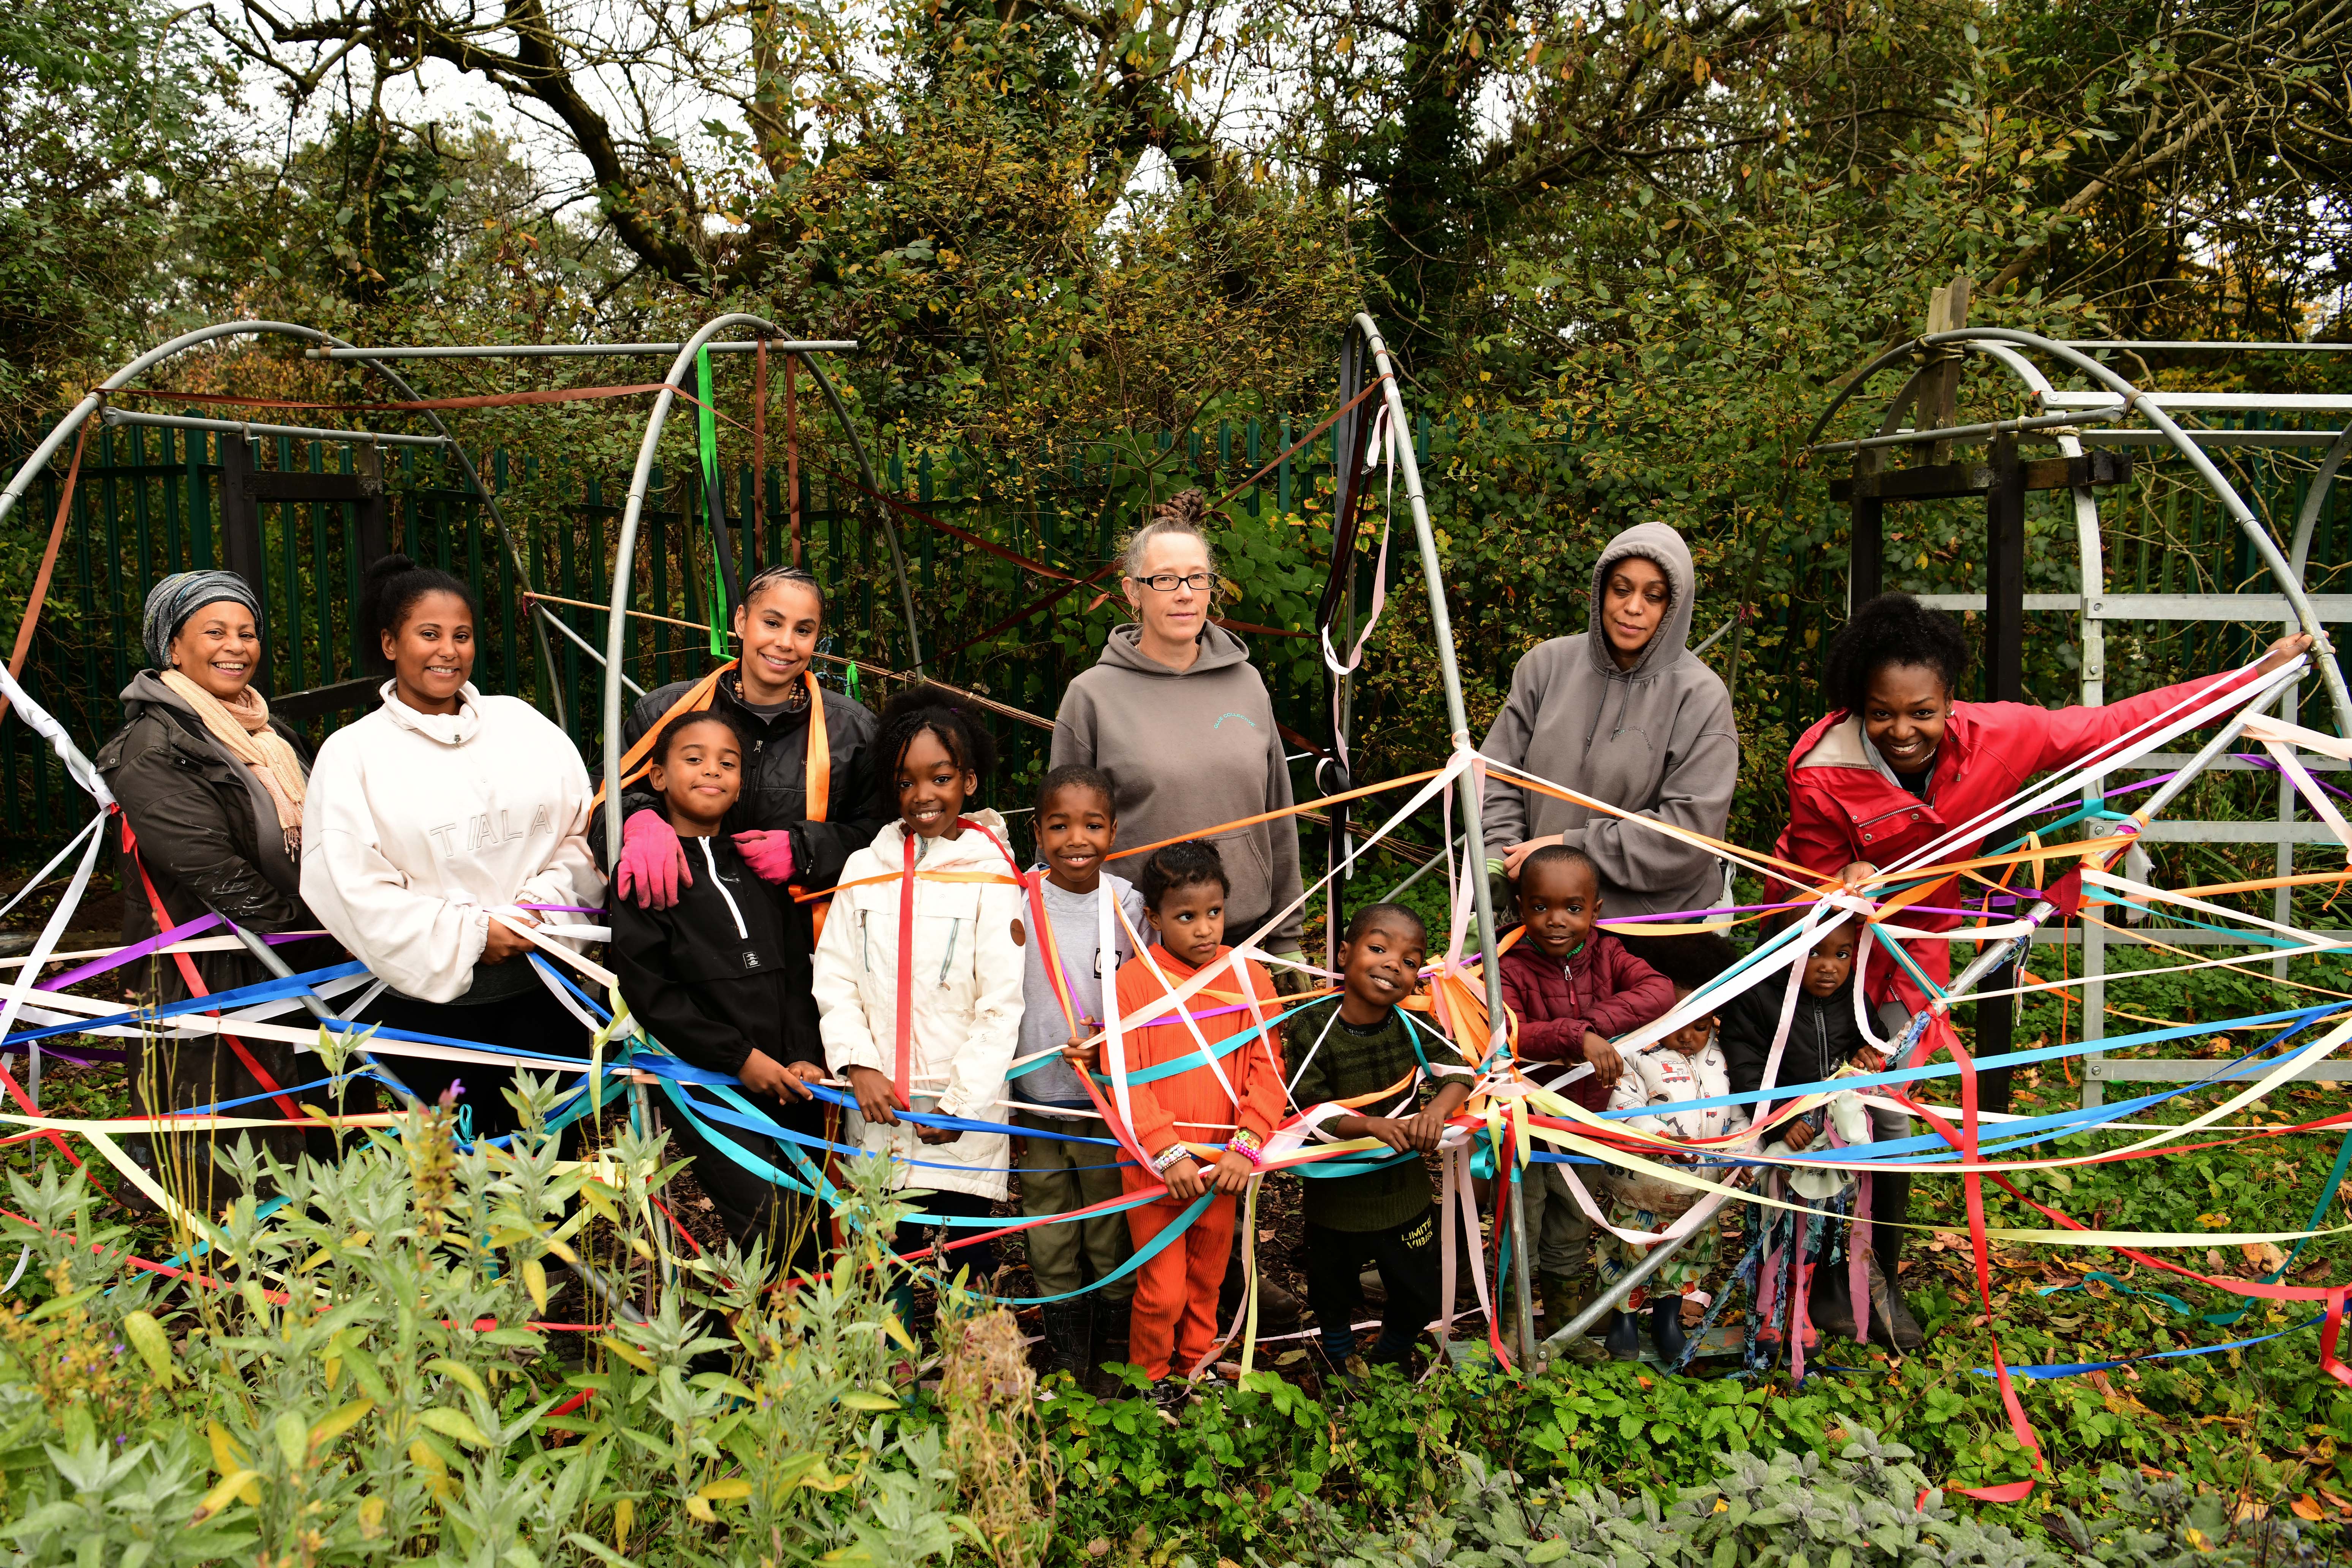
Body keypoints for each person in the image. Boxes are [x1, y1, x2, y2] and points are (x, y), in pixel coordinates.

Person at [1777, 591, 2312, 1332]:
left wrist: (2252, 676)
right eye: (1882, 713)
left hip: (1922, 939)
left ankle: (1867, 1278)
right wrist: (1841, 885)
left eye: (1922, 712)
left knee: (1891, 1101)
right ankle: (1808, 1266)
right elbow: (1803, 894)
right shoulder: (1822, 767)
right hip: (1828, 941)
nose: (1903, 730)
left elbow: (2115, 724)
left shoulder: (2002, 735)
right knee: (1826, 1097)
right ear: (1856, 706)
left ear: (1950, 701)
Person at [1051, 488, 1311, 1329]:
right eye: (1163, 581)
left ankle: (1231, 1290)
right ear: (1131, 592)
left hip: (1240, 939)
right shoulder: (1093, 695)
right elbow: (1069, 827)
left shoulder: (1249, 683)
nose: (1182, 595)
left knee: (1237, 1120)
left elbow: (1278, 810)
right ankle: (1140, 1297)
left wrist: (1290, 935)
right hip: (1140, 955)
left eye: (1196, 578)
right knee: (1160, 1130)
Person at [301, 556, 603, 1142]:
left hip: (544, 997)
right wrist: (473, 936)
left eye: (461, 636)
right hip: (430, 1017)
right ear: (390, 643)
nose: (448, 651)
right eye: (429, 634)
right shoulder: (353, 755)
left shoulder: (524, 727)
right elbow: (349, 884)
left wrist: (541, 909)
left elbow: (580, 832)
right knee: (454, 1174)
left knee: (549, 1161)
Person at [97, 569, 332, 1200]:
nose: (236, 645)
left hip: (288, 956)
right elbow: (213, 869)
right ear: (173, 647)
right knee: (225, 1143)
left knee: (292, 1119)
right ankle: (226, 1273)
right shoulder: (152, 747)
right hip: (212, 970)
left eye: (247, 632)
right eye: (215, 631)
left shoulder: (269, 732)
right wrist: (317, 934)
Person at [605, 566, 884, 1081]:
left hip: (797, 962)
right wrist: (640, 820)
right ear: (741, 620)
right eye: (771, 623)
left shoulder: (852, 731)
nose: (784, 643)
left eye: (803, 630)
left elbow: (880, 839)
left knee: (803, 1120)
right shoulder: (666, 712)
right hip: (688, 958)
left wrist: (807, 849)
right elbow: (607, 803)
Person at [812, 686, 1026, 1297]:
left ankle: (979, 1379)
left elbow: (1001, 1003)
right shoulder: (864, 868)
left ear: (970, 781)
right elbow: (836, 978)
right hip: (881, 1109)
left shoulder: (992, 874)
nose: (924, 795)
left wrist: (961, 1102)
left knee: (970, 1258)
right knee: (887, 1256)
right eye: (906, 782)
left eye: (940, 777)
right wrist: (858, 1065)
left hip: (963, 1117)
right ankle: (895, 1377)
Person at [607, 709, 829, 1265]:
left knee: (820, 1222)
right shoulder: (647, 868)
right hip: (710, 1084)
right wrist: (738, 1058)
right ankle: (765, 1342)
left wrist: (804, 1051)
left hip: (789, 1079)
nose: (712, 771)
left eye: (727, 763)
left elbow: (797, 973)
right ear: (658, 778)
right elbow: (652, 992)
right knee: (768, 1223)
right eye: (694, 759)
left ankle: (811, 1346)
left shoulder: (758, 865)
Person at [1479, 522, 1740, 969]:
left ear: (1675, 606)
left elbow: (1687, 833)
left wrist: (1570, 848)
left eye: (1653, 596)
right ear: (1601, 589)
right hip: (1540, 924)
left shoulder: (1700, 696)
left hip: (1651, 934)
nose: (1633, 608)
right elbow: (1496, 776)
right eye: (1621, 589)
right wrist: (1499, 858)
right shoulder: (1544, 667)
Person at [1108, 840, 1285, 1402]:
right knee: (1161, 1289)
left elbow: (1268, 1068)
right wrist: (1165, 1153)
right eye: (1186, 917)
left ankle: (1196, 1368)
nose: (1205, 929)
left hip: (1223, 1170)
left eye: (1214, 913)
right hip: (1154, 1172)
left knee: (1208, 1278)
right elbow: (1126, 1079)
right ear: (1154, 919)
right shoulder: (1132, 984)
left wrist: (1249, 1144)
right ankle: (1150, 1382)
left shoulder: (1250, 979)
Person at [1495, 844, 1674, 1338]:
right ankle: (1513, 1327)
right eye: (1540, 907)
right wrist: (1577, 1038)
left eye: (1573, 908)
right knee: (1522, 1224)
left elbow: (1658, 990)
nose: (1557, 920)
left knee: (1573, 1224)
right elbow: (1510, 1033)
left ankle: (1561, 1325)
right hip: (1526, 1123)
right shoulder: (1508, 966)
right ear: (1520, 905)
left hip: (1588, 1123)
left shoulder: (1609, 952)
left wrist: (1592, 1026)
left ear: (1595, 911)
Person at [1286, 903, 1471, 1378]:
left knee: (1417, 1289)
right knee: (1331, 1288)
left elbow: (1460, 1073)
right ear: (1344, 954)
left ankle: (1389, 1356)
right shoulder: (1313, 1026)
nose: (1394, 964)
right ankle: (1338, 1354)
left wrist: (1433, 1110)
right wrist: (1371, 1127)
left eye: (1410, 961)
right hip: (1335, 1198)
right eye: (1378, 948)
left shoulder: (1412, 1023)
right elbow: (1310, 1108)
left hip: (1403, 1193)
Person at [1015, 763, 1147, 1382]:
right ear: (1038, 833)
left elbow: (1147, 999)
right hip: (1038, 1099)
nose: (1076, 838)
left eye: (1092, 824)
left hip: (1104, 1105)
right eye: (1059, 825)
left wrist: (1110, 1044)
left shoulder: (1127, 904)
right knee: (1047, 1219)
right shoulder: (1014, 900)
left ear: (1113, 830)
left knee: (1107, 1220)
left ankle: (1113, 1344)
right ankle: (1066, 1347)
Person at [1715, 921, 1905, 1350]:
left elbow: (1873, 1048)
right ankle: (1767, 1311)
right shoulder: (1760, 998)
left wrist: (1868, 1054)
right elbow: (1743, 1065)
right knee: (1773, 1228)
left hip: (1831, 1141)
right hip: (1781, 1138)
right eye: (1816, 954)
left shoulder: (1854, 999)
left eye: (1841, 955)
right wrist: (1780, 1119)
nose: (1829, 968)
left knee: (1818, 1229)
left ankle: (1800, 1308)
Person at [1592, 941, 1743, 1366]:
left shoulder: (1723, 1056)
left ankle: (1667, 1317)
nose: (1688, 1037)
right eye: (1677, 1022)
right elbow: (1623, 1106)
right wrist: (1661, 1138)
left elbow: (1739, 1113)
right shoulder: (1633, 1052)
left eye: (1700, 1026)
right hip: (1640, 1188)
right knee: (1628, 1250)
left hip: (1700, 1189)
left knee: (1686, 1254)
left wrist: (1741, 1153)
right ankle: (1623, 1319)